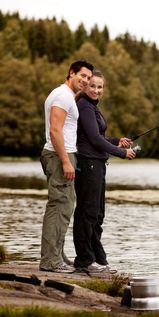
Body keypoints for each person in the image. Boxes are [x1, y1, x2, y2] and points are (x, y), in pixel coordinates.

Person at [73, 70, 136, 274]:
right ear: (86, 86)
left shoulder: (92, 108)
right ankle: (84, 260)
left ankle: (99, 259)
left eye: (100, 87)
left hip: (97, 164)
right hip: (89, 164)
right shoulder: (84, 105)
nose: (96, 90)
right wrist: (120, 152)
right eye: (93, 86)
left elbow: (98, 137)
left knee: (98, 214)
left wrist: (116, 140)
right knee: (87, 213)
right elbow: (93, 140)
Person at [40, 60, 94, 273]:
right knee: (59, 206)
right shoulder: (63, 95)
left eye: (88, 78)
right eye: (82, 76)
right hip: (58, 155)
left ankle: (57, 254)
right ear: (71, 73)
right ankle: (50, 261)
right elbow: (55, 131)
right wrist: (64, 160)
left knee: (65, 205)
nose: (85, 81)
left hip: (64, 154)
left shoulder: (66, 96)